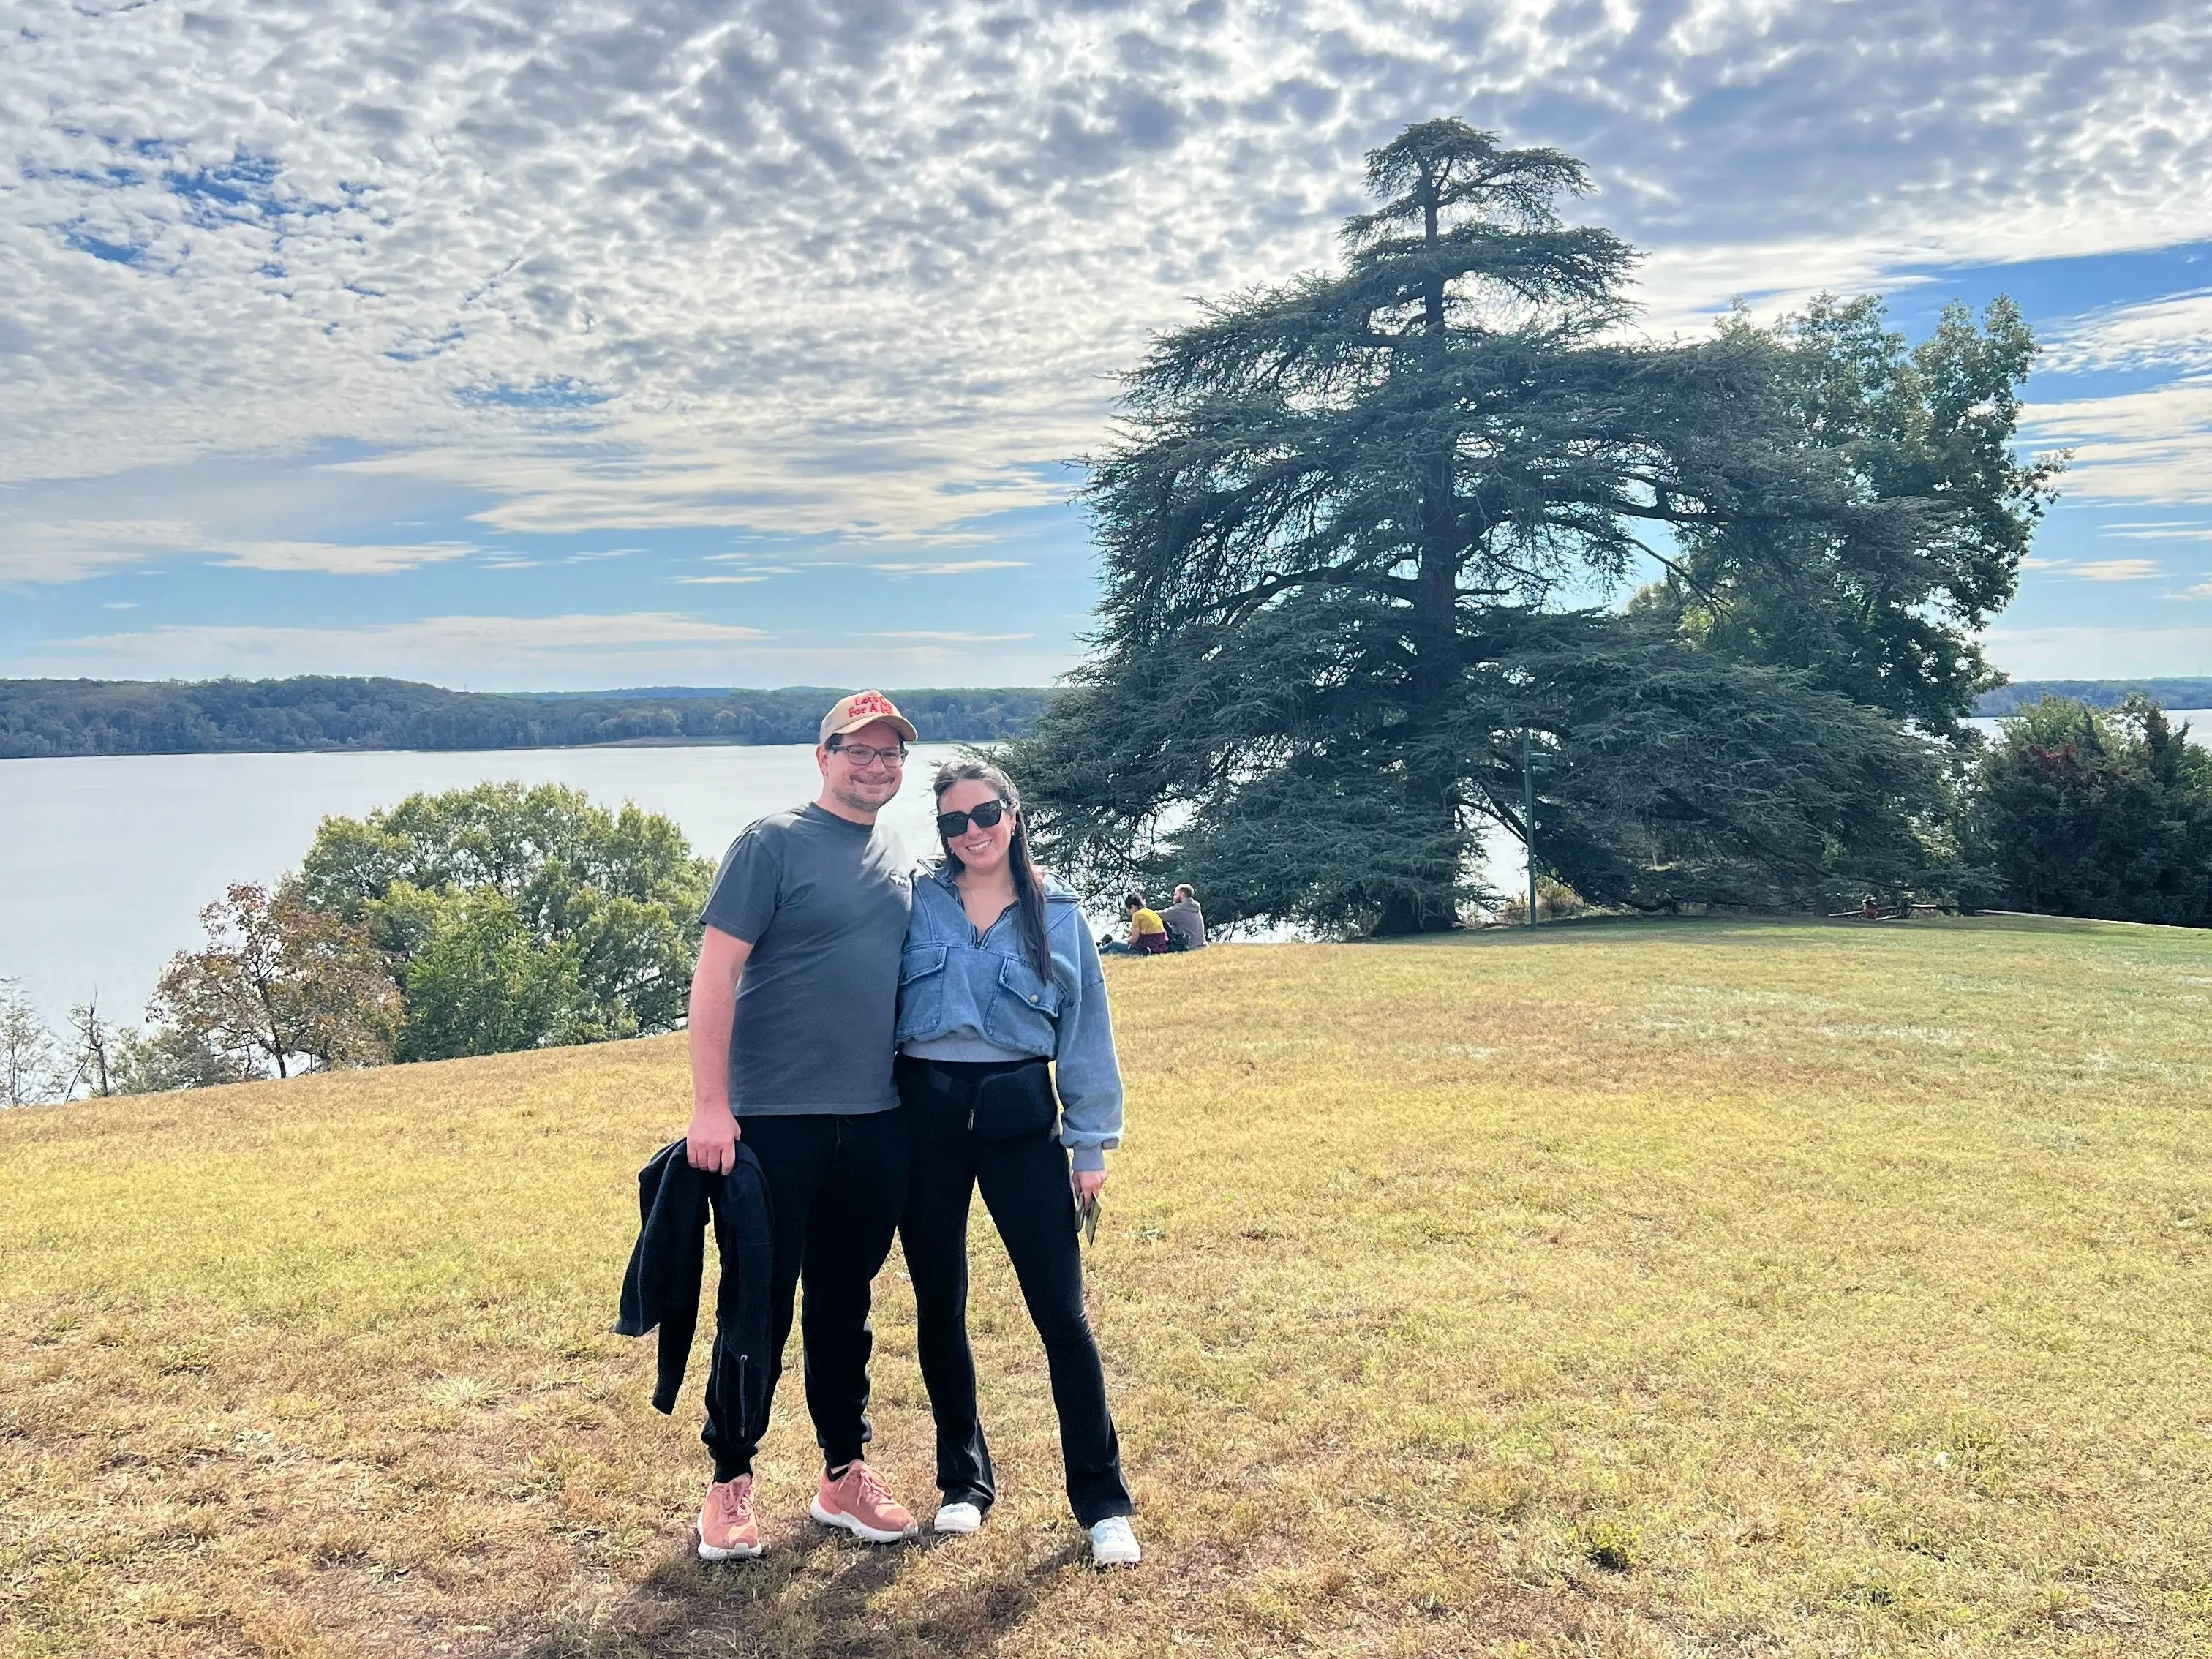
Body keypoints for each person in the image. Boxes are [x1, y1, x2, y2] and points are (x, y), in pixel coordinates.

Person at [683, 691, 925, 1562]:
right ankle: (729, 1482)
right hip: (770, 1124)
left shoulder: (898, 851)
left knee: (844, 1305)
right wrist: (712, 1107)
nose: (875, 765)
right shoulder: (770, 843)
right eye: (857, 750)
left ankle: (842, 1475)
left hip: (873, 1121)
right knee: (755, 1306)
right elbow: (715, 976)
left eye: (890, 752)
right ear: (822, 757)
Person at [893, 759, 1143, 1568]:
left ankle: (1102, 1503)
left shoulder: (1058, 916)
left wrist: (1091, 1143)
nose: (972, 832)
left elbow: (1085, 1033)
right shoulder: (913, 903)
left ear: (1012, 811)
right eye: (953, 822)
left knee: (1061, 1316)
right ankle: (963, 1483)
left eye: (984, 813)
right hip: (922, 1118)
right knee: (940, 1303)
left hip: (1020, 1121)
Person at [1160, 884, 1207, 951]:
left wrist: (1143, 912)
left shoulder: (1180, 909)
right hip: (1203, 947)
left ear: (1182, 894)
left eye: (1176, 894)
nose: (1174, 897)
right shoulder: (1194, 906)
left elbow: (1158, 915)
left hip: (1189, 948)